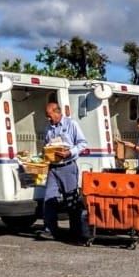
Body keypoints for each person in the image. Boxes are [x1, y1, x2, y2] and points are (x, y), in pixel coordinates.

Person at [39, 101, 89, 242]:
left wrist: (69, 152)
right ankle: (50, 230)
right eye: (47, 116)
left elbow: (82, 143)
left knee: (71, 200)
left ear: (57, 112)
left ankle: (76, 231)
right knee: (49, 199)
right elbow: (46, 145)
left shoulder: (71, 124)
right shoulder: (48, 128)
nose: (48, 119)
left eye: (49, 116)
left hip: (67, 166)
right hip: (53, 168)